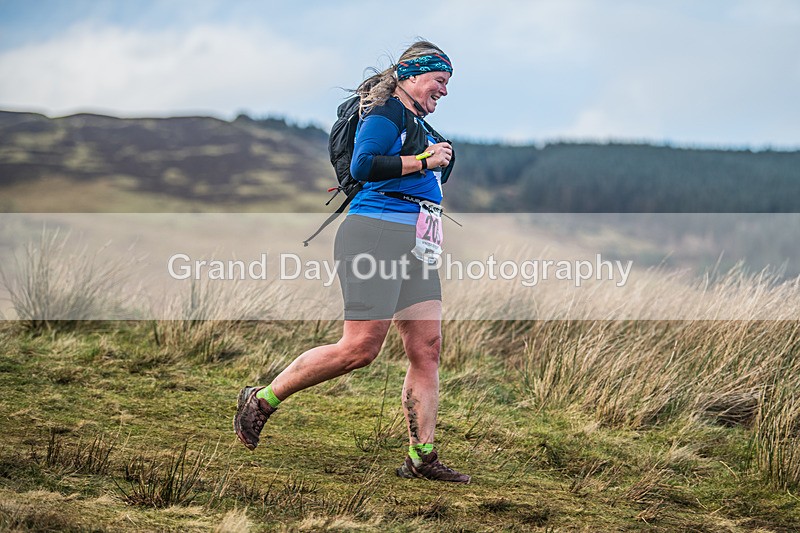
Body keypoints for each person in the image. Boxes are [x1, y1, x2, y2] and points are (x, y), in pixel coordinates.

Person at [234, 40, 470, 483]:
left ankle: (422, 457)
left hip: (417, 244)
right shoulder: (385, 114)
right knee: (360, 349)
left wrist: (436, 158)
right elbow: (363, 166)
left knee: (427, 348)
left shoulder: (418, 122)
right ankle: (262, 399)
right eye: (440, 81)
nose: (444, 91)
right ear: (412, 75)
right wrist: (425, 159)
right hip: (376, 235)